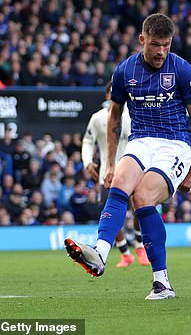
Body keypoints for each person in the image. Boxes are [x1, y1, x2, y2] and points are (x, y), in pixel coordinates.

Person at [65, 13, 191, 300]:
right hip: (140, 141)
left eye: (166, 45)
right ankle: (101, 255)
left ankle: (162, 282)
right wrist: (108, 163)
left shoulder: (181, 69)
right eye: (155, 44)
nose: (160, 52)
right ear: (142, 40)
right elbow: (114, 116)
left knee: (142, 197)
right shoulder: (124, 70)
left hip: (175, 144)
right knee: (119, 182)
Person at [82, 80, 150, 268]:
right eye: (112, 92)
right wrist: (88, 162)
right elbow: (87, 141)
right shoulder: (98, 118)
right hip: (108, 173)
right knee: (109, 212)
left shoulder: (134, 116)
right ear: (106, 96)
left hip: (134, 171)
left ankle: (139, 245)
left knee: (140, 207)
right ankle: (125, 253)